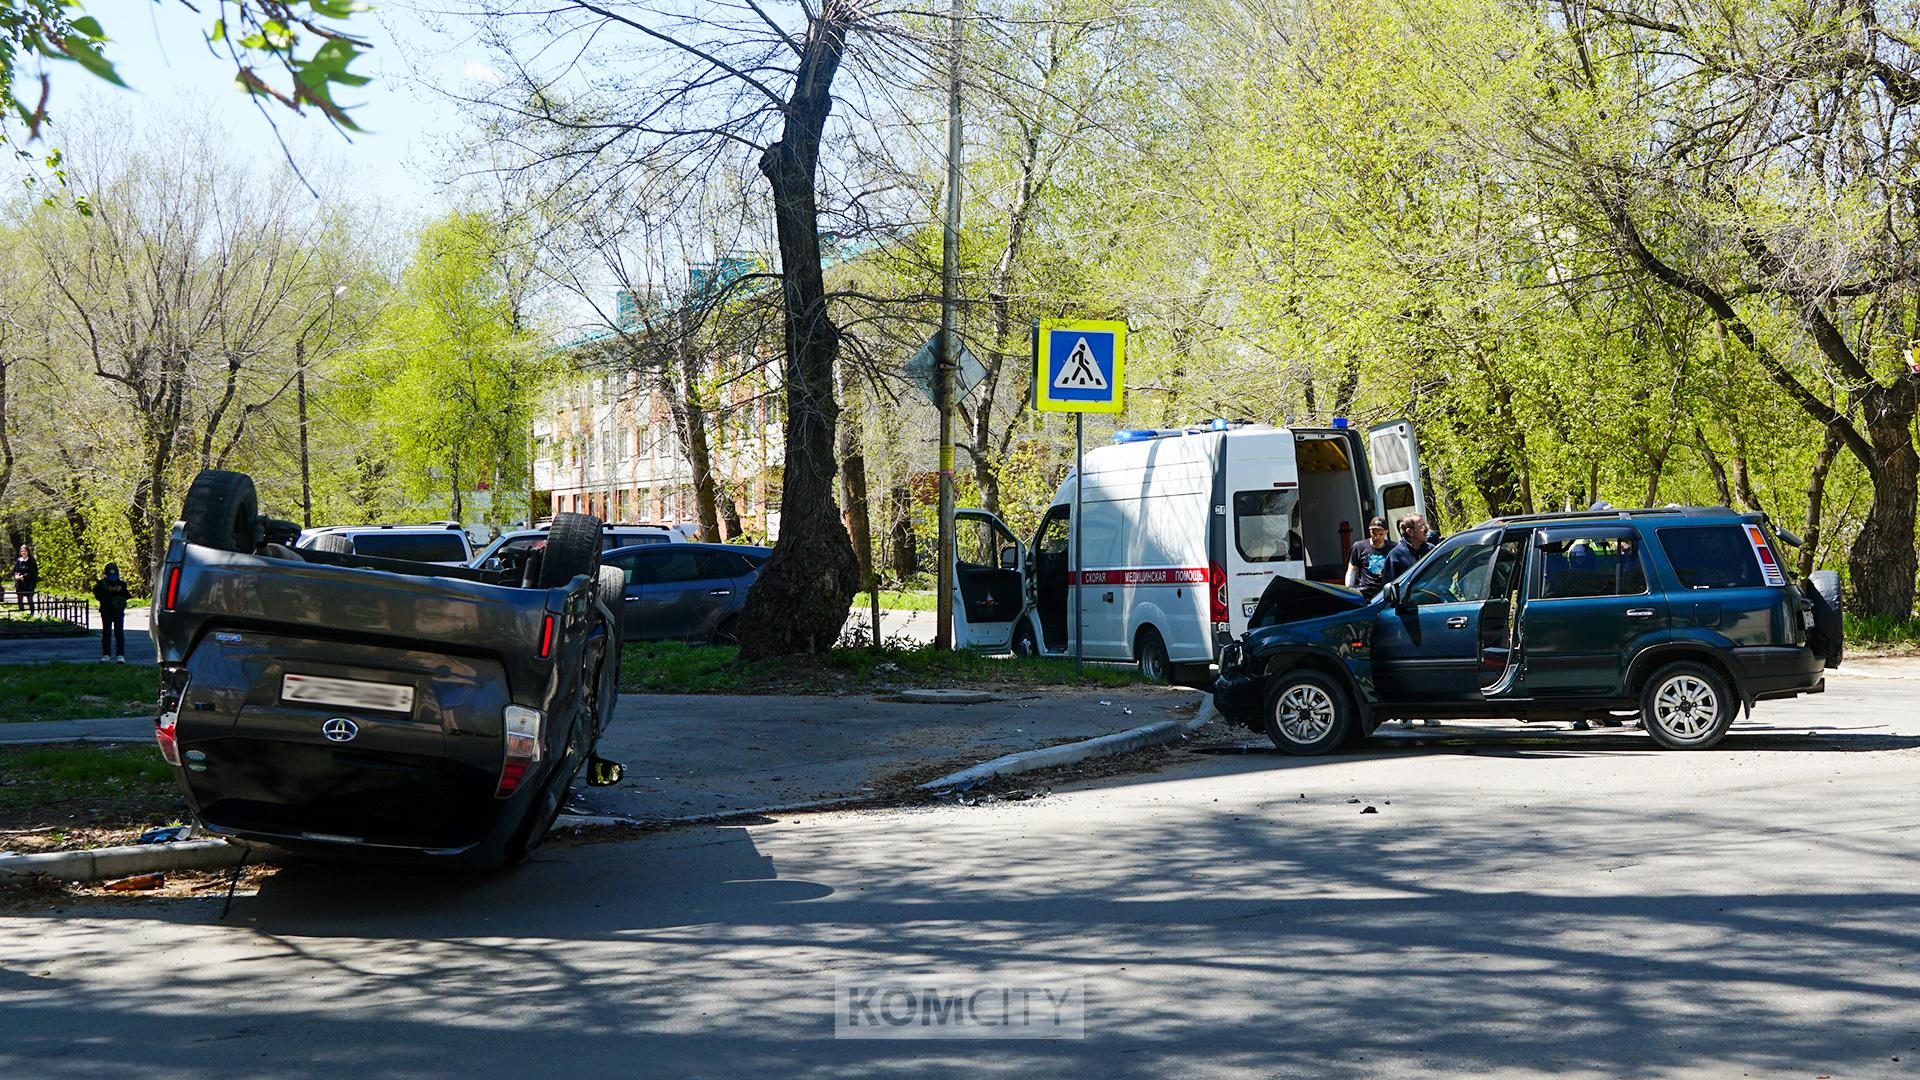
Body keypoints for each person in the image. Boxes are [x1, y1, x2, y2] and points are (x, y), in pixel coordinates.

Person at [1345, 516, 1393, 599]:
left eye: (1380, 534)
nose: (1377, 537)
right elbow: (1352, 570)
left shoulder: (1393, 548)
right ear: (1369, 531)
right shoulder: (1359, 547)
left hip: (1387, 593)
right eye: (1373, 533)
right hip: (1365, 594)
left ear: (1386, 533)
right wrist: (1349, 590)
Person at [1383, 515, 1440, 583]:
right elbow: (1391, 587)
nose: (1427, 530)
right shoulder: (1395, 556)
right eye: (1422, 526)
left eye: (1426, 525)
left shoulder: (1431, 549)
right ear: (1410, 532)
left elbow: (1443, 575)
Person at [92, 563, 130, 663]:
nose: (113, 579)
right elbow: (98, 596)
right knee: (106, 632)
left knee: (119, 632)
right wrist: (108, 591)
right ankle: (106, 654)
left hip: (118, 611)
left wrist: (120, 590)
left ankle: (120, 655)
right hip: (106, 611)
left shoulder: (122, 584)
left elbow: (127, 596)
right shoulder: (101, 584)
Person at [12, 543, 37, 614]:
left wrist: (24, 576)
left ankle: (32, 613)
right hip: (19, 583)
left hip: (29, 583)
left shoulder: (31, 561)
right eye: (22, 551)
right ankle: (22, 613)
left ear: (28, 551)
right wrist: (16, 575)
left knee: (30, 598)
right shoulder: (18, 561)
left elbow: (33, 572)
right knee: (20, 598)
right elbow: (15, 570)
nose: (24, 552)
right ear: (20, 552)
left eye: (25, 551)